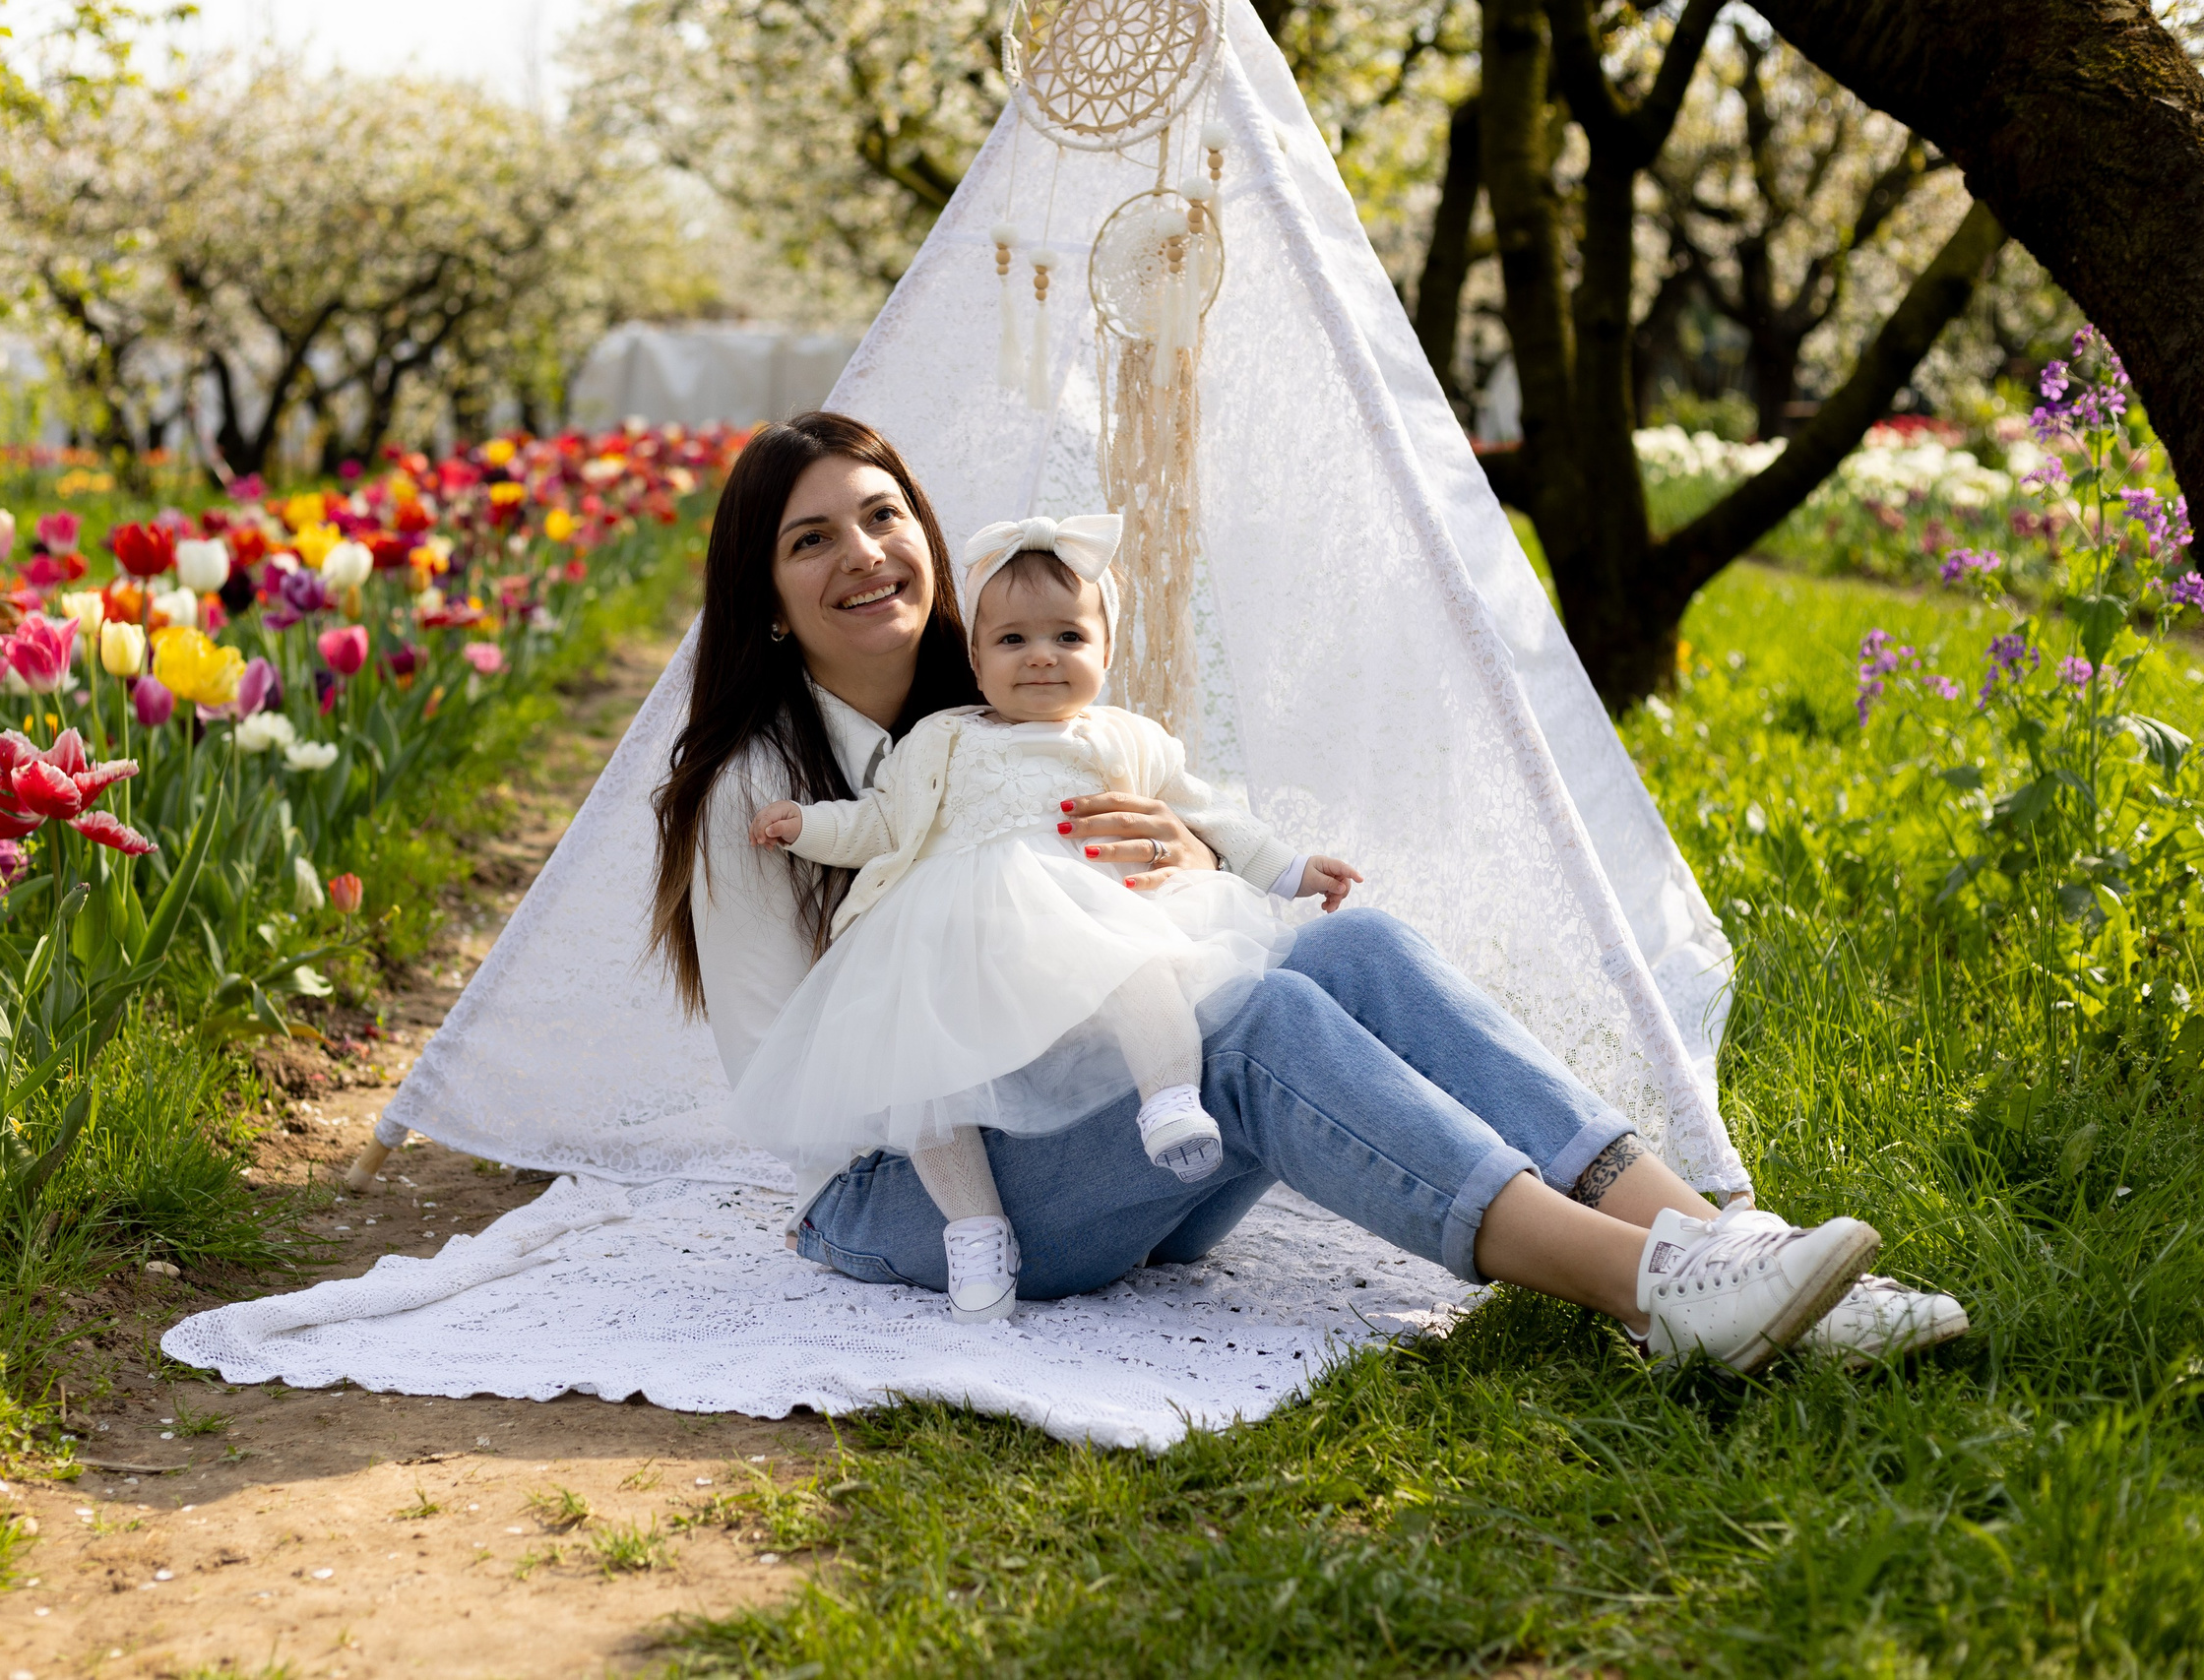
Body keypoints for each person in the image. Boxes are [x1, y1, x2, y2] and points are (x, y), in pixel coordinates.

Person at [651, 411, 1965, 1374]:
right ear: (766, 598)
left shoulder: (1005, 702)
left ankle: (1727, 1251)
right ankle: (1652, 1292)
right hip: (921, 1192)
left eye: (884, 516)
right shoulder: (751, 792)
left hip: (1113, 1118)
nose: (864, 553)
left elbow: (1136, 900)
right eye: (811, 539)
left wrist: (1177, 862)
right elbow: (811, 1094)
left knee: (1354, 950)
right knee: (1255, 1030)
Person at [741, 510, 1363, 1321]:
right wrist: (808, 826)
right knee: (927, 1078)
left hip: (1086, 921)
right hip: (959, 947)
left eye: (1069, 636)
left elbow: (1209, 812)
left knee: (1142, 971)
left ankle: (1169, 1098)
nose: (1041, 655)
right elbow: (881, 823)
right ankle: (974, 1231)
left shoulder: (1126, 737)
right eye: (1013, 640)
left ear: (1105, 653)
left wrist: (1289, 869)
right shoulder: (941, 739)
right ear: (976, 660)